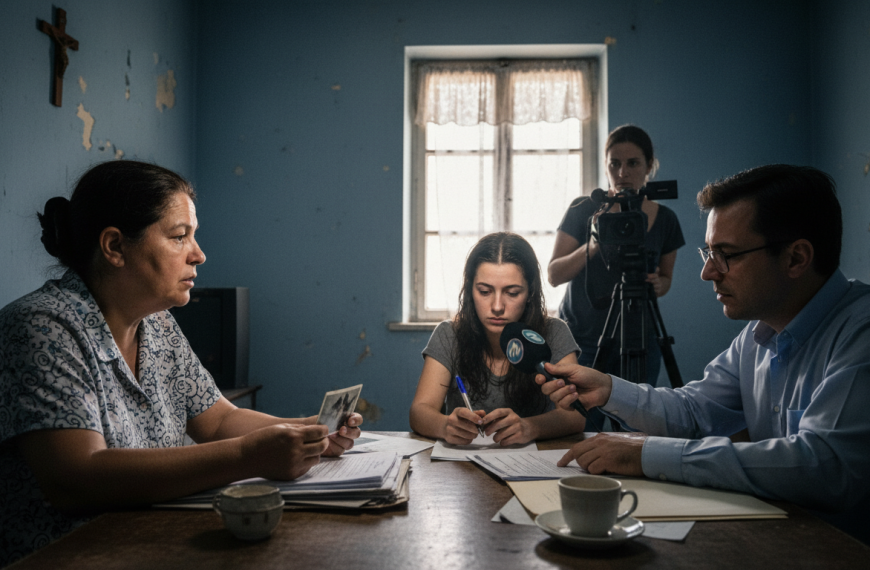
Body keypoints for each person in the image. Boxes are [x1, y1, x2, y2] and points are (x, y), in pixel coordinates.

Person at [0, 160, 363, 566]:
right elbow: (77, 478)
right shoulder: (41, 327)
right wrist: (248, 457)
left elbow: (218, 421)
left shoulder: (157, 325)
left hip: (148, 544)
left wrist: (311, 431)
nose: (199, 255)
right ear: (115, 246)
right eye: (179, 236)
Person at [537, 164, 870, 544]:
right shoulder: (757, 335)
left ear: (796, 258)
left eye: (726, 254)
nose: (708, 272)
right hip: (785, 541)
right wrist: (609, 389)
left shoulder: (861, 332)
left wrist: (647, 453)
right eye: (708, 252)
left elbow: (825, 466)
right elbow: (695, 412)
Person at [409, 232, 586, 446]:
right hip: (461, 469)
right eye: (484, 291)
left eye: (512, 293)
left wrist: (530, 427)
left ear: (530, 292)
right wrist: (446, 426)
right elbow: (419, 411)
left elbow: (576, 416)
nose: (497, 307)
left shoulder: (554, 332)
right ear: (469, 290)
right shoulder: (449, 334)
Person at [548, 124, 685, 386]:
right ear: (606, 166)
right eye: (614, 164)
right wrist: (596, 241)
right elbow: (554, 275)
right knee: (582, 422)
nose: (622, 173)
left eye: (633, 163)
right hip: (582, 338)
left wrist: (659, 284)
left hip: (639, 338)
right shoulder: (584, 209)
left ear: (649, 166)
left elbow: (665, 279)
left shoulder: (666, 219)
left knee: (638, 421)